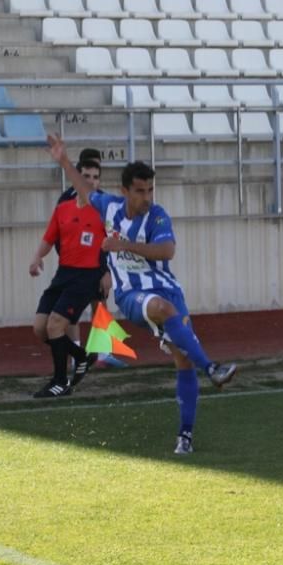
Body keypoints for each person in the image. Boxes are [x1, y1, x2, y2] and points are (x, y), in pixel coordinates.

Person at [45, 134, 238, 454]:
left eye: (150, 190)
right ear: (124, 191)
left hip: (168, 290)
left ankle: (185, 437)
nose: (147, 196)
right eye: (140, 190)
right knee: (162, 309)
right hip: (132, 294)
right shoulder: (109, 207)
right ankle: (213, 369)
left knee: (182, 358)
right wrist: (64, 160)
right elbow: (84, 189)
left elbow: (168, 250)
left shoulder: (158, 215)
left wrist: (124, 245)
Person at [28, 155, 106, 397]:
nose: (91, 182)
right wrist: (37, 257)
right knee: (40, 328)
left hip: (88, 276)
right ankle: (81, 355)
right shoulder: (63, 207)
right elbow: (50, 236)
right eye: (86, 177)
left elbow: (116, 242)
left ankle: (60, 382)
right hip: (64, 273)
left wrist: (108, 272)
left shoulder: (105, 208)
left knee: (56, 325)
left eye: (95, 177)